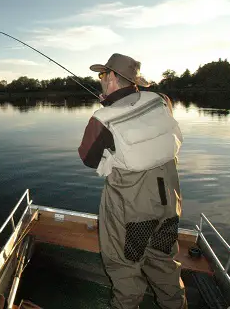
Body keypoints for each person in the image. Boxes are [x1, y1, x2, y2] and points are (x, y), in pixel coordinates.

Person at [77, 53, 187, 309]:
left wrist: (109, 109)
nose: (101, 79)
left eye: (103, 74)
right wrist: (113, 104)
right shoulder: (162, 101)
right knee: (165, 267)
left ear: (114, 77)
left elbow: (88, 158)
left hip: (130, 214)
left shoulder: (102, 119)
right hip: (169, 208)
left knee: (125, 273)